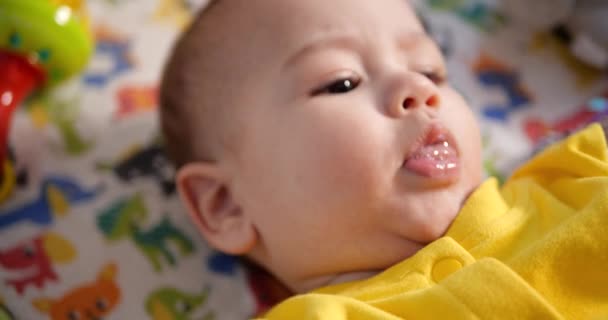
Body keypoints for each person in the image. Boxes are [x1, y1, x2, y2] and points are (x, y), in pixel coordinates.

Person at [159, 0, 608, 318]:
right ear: (227, 205)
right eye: (342, 82)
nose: (419, 89)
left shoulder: (577, 177)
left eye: (430, 69)